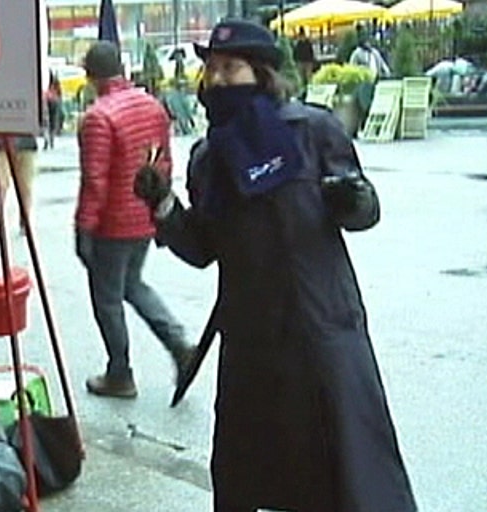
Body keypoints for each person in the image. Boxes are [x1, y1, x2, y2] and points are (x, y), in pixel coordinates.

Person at [133, 20, 417, 512]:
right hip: (252, 342)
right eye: (212, 70)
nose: (217, 80)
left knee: (350, 471)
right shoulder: (208, 157)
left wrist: (354, 198)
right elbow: (203, 248)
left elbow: (365, 214)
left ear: (261, 73)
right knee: (254, 470)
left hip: (321, 329)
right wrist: (163, 206)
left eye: (230, 68)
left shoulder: (313, 130)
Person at [74, 41, 193, 399]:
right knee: (133, 284)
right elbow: (164, 163)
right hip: (144, 216)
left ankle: (119, 373)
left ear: (91, 75)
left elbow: (95, 180)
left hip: (112, 224)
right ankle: (179, 344)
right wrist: (159, 212)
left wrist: (83, 228)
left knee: (107, 298)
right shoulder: (152, 106)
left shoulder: (98, 117)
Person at [0, 135, 38, 239]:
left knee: (25, 187)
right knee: (1, 186)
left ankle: (25, 222)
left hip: (26, 145)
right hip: (2, 145)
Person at [43, 71, 63, 149]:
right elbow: (59, 92)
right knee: (53, 121)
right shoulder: (56, 82)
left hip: (46, 99)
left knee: (46, 121)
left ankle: (46, 138)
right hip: (55, 101)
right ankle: (51, 139)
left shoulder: (43, 81)